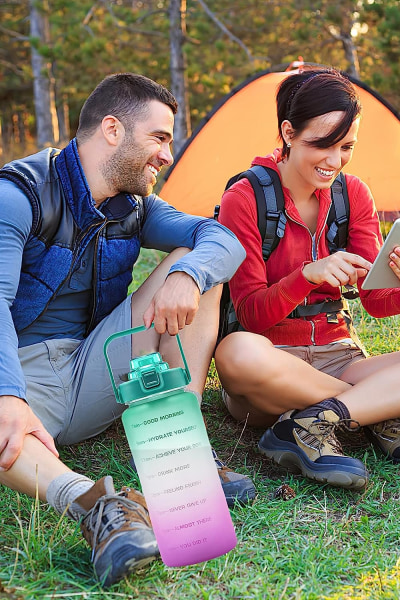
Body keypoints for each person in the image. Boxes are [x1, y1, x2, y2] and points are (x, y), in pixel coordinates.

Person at [0, 73, 254, 587]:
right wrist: (7, 395)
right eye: (159, 138)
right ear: (112, 130)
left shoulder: (133, 206)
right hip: (22, 380)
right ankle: (95, 505)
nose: (167, 154)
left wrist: (186, 274)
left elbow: (222, 239)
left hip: (96, 363)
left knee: (197, 264)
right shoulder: (17, 195)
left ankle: (180, 454)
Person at [214, 68, 400, 491]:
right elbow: (252, 316)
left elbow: (374, 299)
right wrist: (305, 275)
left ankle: (312, 423)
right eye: (322, 145)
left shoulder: (354, 194)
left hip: (340, 357)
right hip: (270, 364)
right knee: (236, 351)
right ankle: (380, 412)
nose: (334, 161)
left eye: (346, 146)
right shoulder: (244, 197)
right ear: (289, 132)